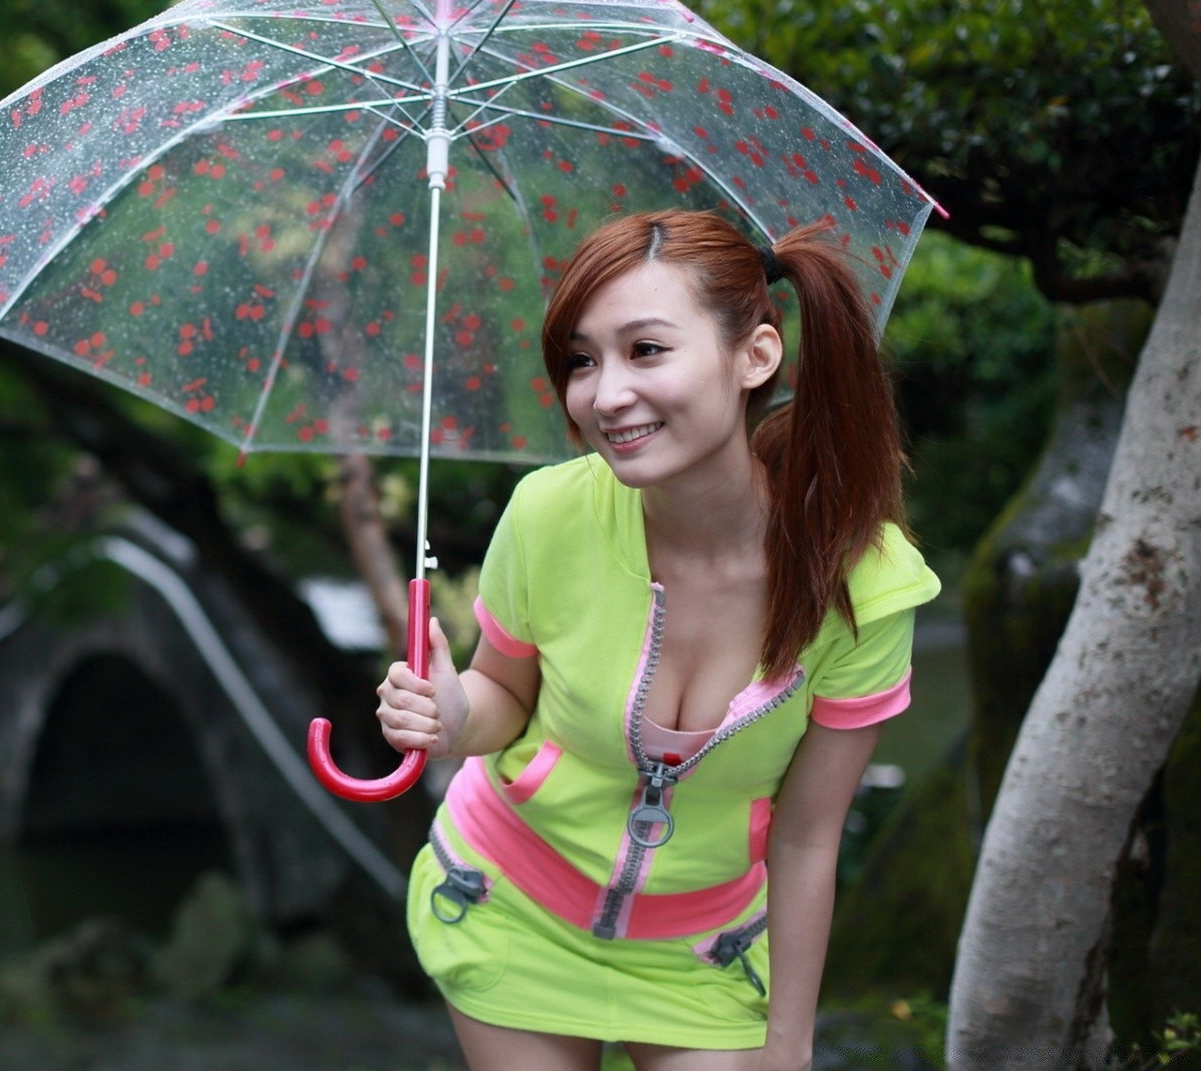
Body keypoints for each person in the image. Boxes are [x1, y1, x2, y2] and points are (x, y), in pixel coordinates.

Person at [376, 210, 939, 1070]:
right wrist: (454, 718)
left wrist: (789, 1043)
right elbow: (506, 701)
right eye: (581, 360)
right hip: (509, 902)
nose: (605, 396)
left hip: (702, 952)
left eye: (646, 350)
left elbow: (808, 836)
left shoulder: (864, 583)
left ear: (755, 355)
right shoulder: (549, 513)